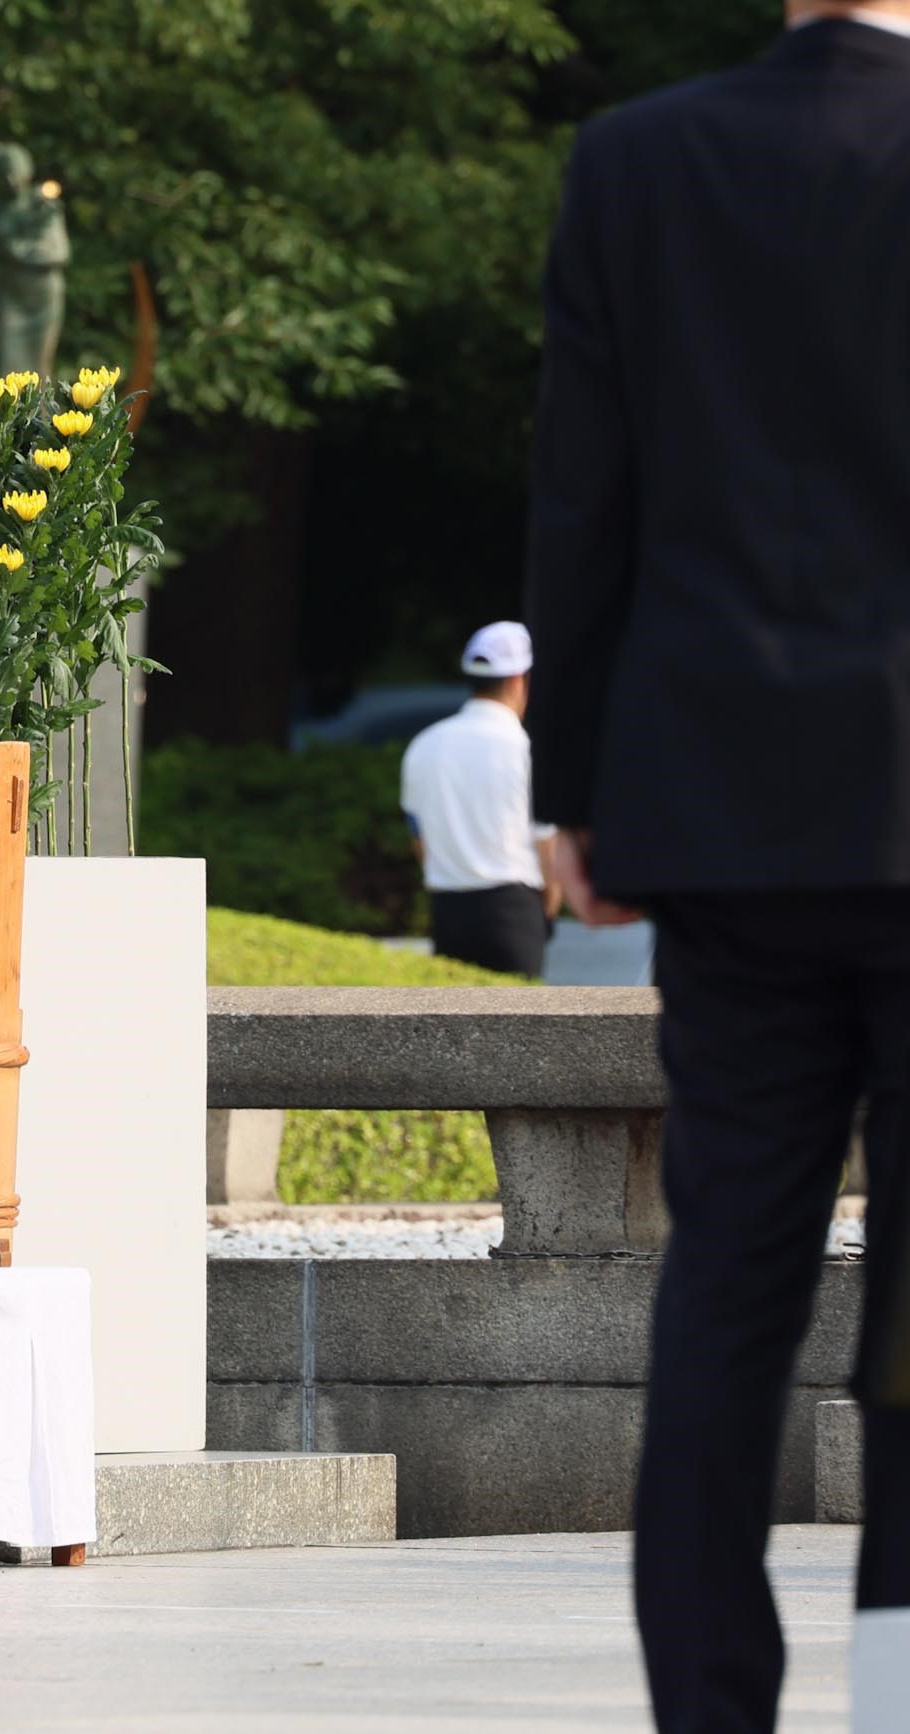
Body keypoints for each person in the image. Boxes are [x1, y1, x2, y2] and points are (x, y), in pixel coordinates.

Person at [522, 5, 910, 1724]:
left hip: (725, 803)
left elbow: (583, 491)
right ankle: (904, 1670)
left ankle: (710, 1700)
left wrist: (570, 782)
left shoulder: (638, 157)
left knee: (729, 1270)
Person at [399, 622, 562, 979]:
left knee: (454, 1031)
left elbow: (420, 840)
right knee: (519, 1032)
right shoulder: (526, 750)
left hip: (448, 913)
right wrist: (549, 903)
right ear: (520, 680)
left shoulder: (423, 745)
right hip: (512, 914)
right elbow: (547, 844)